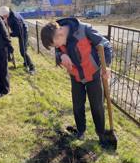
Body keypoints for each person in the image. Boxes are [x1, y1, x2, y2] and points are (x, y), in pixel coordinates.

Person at [41, 18, 112, 146]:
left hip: (93, 75)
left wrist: (106, 66)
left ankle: (101, 133)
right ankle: (80, 130)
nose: (56, 47)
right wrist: (60, 55)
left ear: (60, 34)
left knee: (97, 106)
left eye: (55, 45)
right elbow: (57, 52)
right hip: (76, 77)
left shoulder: (85, 30)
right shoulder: (58, 34)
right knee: (77, 105)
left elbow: (105, 45)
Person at [0, 6, 35, 74]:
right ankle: (26, 62)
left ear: (7, 14)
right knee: (24, 50)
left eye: (4, 16)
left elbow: (18, 32)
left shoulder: (15, 19)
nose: (4, 17)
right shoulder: (9, 14)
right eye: (3, 16)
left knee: (23, 51)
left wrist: (10, 34)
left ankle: (32, 67)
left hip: (23, 32)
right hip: (20, 31)